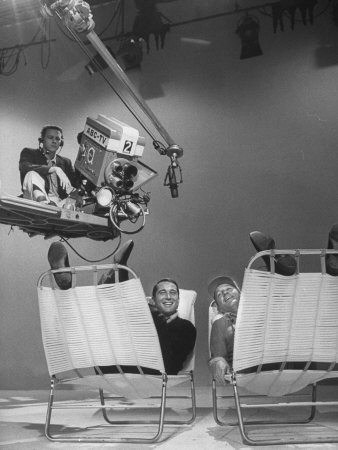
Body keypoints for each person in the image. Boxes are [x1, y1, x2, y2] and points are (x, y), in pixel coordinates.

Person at [208, 226, 338, 384]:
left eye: (229, 289)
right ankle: (283, 268)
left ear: (241, 294)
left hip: (292, 357)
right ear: (219, 307)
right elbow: (218, 356)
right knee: (280, 302)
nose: (225, 293)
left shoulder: (261, 306)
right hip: (252, 368)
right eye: (219, 295)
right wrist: (219, 363)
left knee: (285, 302)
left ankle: (325, 270)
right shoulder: (220, 324)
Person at [47, 240, 196, 375]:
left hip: (160, 369)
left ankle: (118, 274)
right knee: (107, 317)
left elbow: (171, 358)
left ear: (178, 299)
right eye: (162, 293)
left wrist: (151, 316)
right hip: (115, 364)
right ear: (153, 300)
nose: (169, 296)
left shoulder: (186, 326)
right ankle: (68, 289)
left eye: (173, 293)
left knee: (131, 312)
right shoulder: (141, 318)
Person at [19, 125, 82, 208]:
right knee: (31, 174)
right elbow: (24, 167)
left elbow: (74, 185)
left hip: (58, 203)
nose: (54, 141)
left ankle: (55, 207)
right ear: (42, 140)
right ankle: (44, 204)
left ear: (61, 143)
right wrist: (54, 169)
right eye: (50, 137)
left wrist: (82, 159)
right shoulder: (29, 152)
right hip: (34, 199)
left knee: (77, 196)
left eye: (57, 139)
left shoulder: (66, 162)